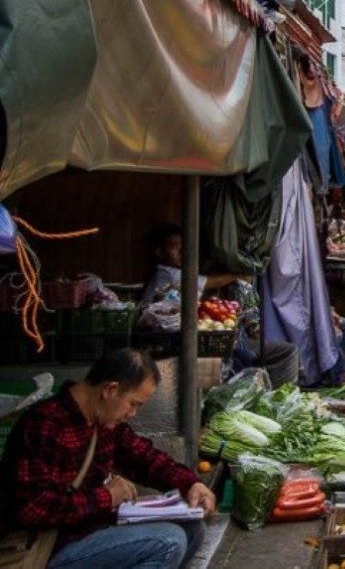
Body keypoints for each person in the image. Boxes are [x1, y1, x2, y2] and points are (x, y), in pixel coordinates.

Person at [0, 348, 216, 568]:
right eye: (133, 404)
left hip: (89, 531)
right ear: (110, 389)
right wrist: (107, 497)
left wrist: (190, 484)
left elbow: (143, 457)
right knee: (168, 541)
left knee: (193, 529)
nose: (133, 413)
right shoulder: (45, 424)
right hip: (49, 548)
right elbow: (32, 508)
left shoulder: (104, 423)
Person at [142, 225, 300, 389]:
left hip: (194, 338)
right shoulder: (167, 274)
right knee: (241, 358)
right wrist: (239, 273)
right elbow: (213, 282)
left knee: (275, 353)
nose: (182, 251)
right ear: (160, 253)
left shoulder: (178, 274)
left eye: (184, 246)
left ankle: (270, 393)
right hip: (173, 342)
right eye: (174, 247)